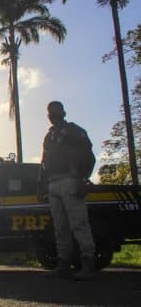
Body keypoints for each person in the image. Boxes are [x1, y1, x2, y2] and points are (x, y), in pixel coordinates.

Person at [38, 101, 96, 281]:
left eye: (56, 111)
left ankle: (88, 261)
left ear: (63, 112)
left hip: (70, 181)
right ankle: (63, 262)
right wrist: (41, 185)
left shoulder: (75, 131)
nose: (52, 115)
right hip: (53, 183)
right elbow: (44, 162)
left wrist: (82, 178)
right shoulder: (49, 137)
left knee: (78, 223)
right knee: (60, 226)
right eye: (50, 112)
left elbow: (89, 156)